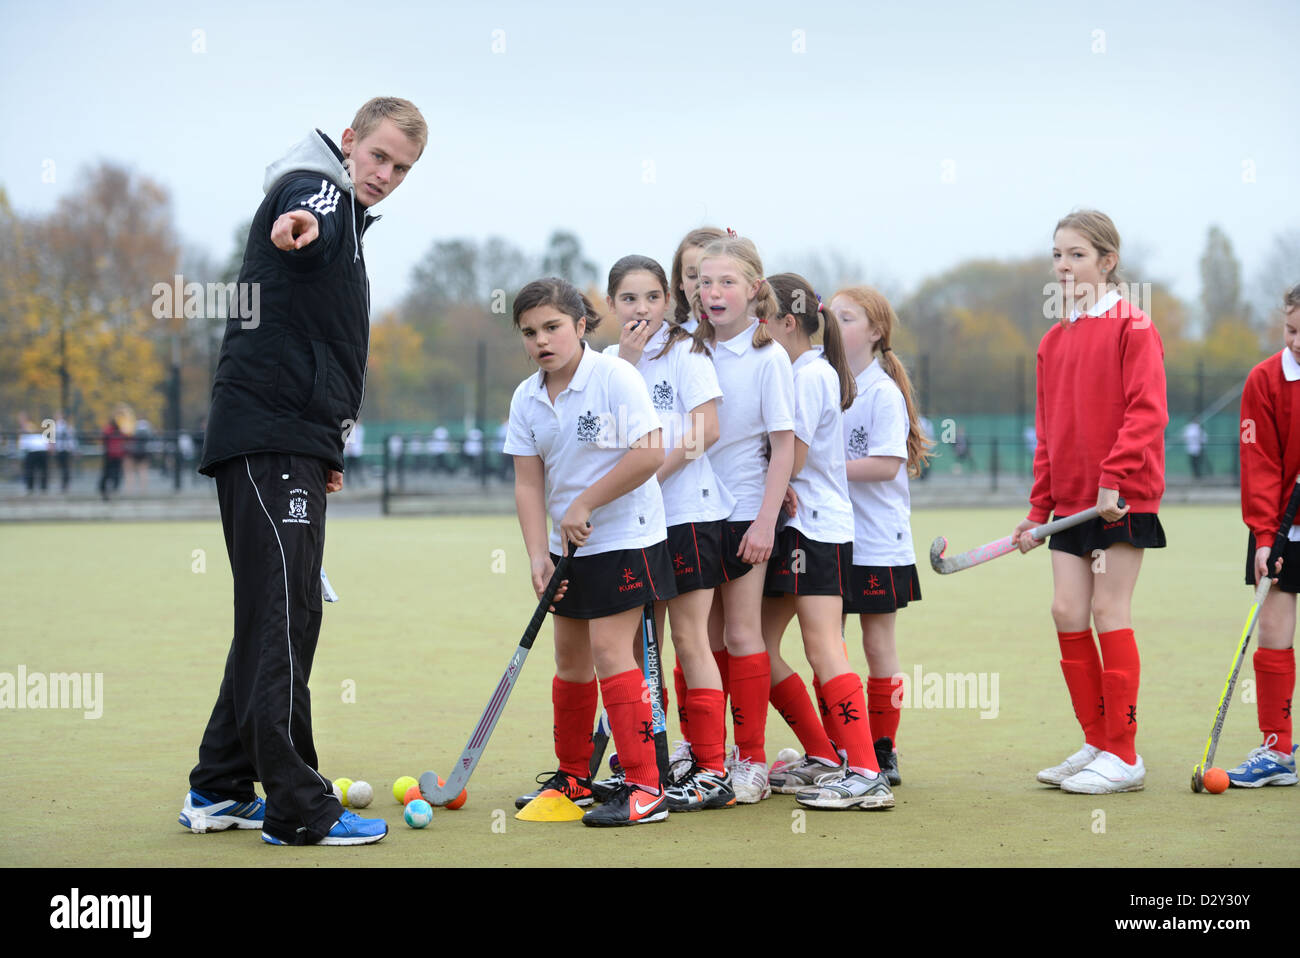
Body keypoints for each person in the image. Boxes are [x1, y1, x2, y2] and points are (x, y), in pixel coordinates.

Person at [182, 98, 426, 846]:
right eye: (378, 156)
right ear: (348, 141)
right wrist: (308, 229)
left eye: (403, 169)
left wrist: (327, 447)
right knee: (284, 616)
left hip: (295, 441)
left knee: (278, 612)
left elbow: (325, 345)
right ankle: (297, 808)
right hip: (266, 434)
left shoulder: (351, 215)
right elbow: (304, 212)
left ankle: (221, 787)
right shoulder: (315, 190)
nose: (385, 175)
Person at [506, 277, 677, 826]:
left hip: (627, 537)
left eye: (553, 327)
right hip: (568, 550)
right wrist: (538, 554)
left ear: (581, 325)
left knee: (609, 652)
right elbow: (529, 483)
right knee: (570, 660)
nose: (542, 341)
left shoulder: (614, 377)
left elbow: (650, 453)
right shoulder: (526, 397)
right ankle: (574, 777)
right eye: (530, 332)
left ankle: (646, 788)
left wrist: (585, 502)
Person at [1015, 210, 1167, 795]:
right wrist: (1038, 509)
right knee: (1065, 611)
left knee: (1109, 611)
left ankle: (1124, 756)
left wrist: (1114, 478)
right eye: (1058, 255)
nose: (1063, 266)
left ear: (1106, 262)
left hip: (1122, 500)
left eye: (1076, 255)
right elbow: (1048, 432)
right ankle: (1098, 739)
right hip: (1072, 504)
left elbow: (1147, 411)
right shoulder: (1054, 340)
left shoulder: (1134, 327)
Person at [600, 255, 735, 811]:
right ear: (610, 305)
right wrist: (627, 359)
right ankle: (647, 763)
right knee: (636, 644)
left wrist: (651, 475)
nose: (641, 309)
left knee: (688, 638)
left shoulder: (687, 352)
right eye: (629, 299)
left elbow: (707, 428)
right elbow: (602, 440)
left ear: (668, 301)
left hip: (688, 516)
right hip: (634, 526)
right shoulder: (608, 363)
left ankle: (712, 769)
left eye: (652, 297)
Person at [759, 273, 894, 810]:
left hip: (814, 529)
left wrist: (773, 489)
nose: (754, 329)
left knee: (823, 647)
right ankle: (824, 755)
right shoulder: (800, 369)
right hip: (802, 528)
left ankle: (864, 770)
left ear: (785, 323)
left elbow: (794, 451)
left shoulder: (810, 374)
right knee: (755, 648)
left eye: (761, 318)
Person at [693, 235, 795, 803]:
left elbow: (783, 447)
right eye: (705, 282)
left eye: (727, 282)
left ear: (754, 290)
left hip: (744, 515)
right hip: (694, 514)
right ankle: (705, 754)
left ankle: (752, 758)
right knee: (701, 637)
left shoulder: (769, 357)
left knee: (741, 631)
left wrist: (764, 522)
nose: (714, 293)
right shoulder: (689, 349)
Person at [831, 285, 931, 787]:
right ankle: (843, 743)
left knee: (877, 644)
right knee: (827, 641)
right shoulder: (825, 382)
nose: (835, 325)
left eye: (847, 319)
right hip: (830, 536)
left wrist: (823, 468)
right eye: (831, 316)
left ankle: (883, 749)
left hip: (876, 541)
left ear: (874, 332)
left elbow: (886, 463)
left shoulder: (881, 392)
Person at [1227, 283, 1300, 787]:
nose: (1296, 342)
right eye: (1292, 330)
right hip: (1282, 526)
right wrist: (1265, 536)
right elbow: (1260, 464)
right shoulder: (1265, 380)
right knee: (1273, 629)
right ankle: (1277, 749)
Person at [666, 226, 730, 754]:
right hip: (666, 512)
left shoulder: (755, 341)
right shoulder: (663, 343)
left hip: (736, 508)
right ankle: (681, 746)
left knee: (731, 638)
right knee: (688, 639)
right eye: (691, 275)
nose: (701, 287)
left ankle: (732, 755)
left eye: (711, 275)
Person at [99, 415, 126, 501]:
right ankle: (113, 489)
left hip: (109, 455)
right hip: (117, 455)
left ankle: (104, 489)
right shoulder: (118, 431)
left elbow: (103, 440)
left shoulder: (108, 430)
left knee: (107, 474)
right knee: (116, 474)